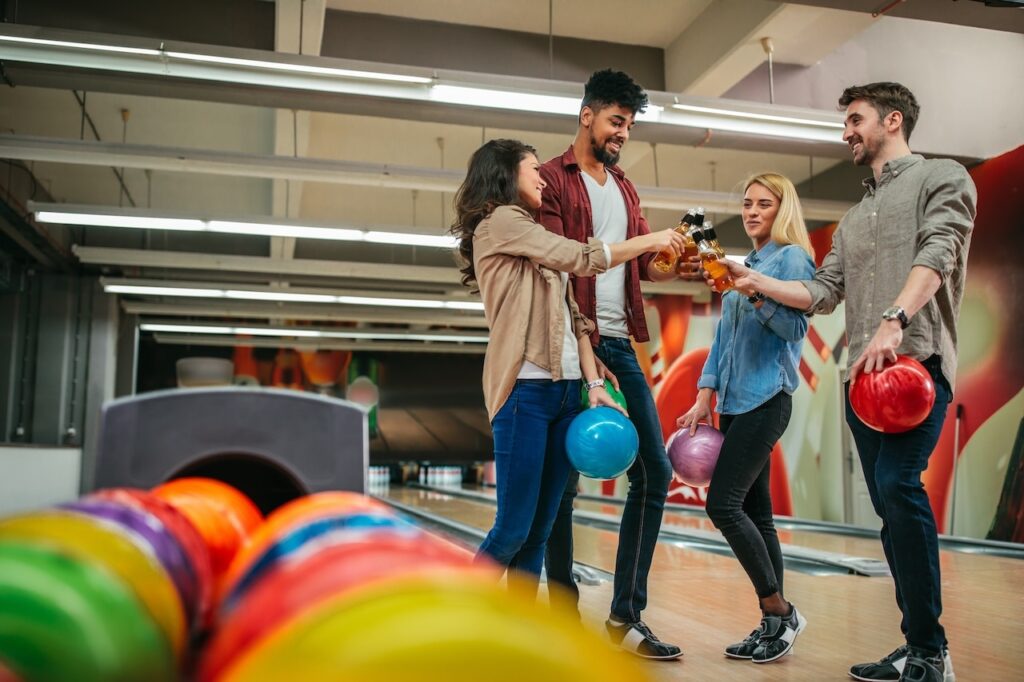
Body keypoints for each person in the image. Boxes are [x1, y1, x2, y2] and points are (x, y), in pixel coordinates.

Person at [718, 83, 975, 682]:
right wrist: (752, 280)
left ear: (893, 119)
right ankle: (916, 643)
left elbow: (941, 251)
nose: (846, 132)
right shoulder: (855, 218)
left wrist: (895, 318)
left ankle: (931, 651)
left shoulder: (943, 177)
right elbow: (819, 294)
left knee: (897, 483)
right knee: (888, 504)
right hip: (864, 380)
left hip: (916, 365)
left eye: (855, 120)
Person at [450, 138, 685, 595]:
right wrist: (648, 240)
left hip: (564, 392)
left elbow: (575, 318)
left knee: (539, 530)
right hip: (524, 391)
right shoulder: (500, 224)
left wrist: (593, 382)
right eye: (533, 169)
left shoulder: (532, 233)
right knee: (513, 528)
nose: (541, 177)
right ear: (505, 175)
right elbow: (582, 257)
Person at [538, 69, 684, 659]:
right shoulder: (550, 180)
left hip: (621, 343)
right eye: (616, 121)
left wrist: (675, 259)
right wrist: (583, 347)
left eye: (629, 124)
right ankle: (561, 615)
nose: (623, 132)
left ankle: (625, 615)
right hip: (572, 344)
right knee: (563, 485)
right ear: (587, 115)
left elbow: (646, 267)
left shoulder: (623, 188)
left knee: (654, 471)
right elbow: (557, 265)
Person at [677, 172, 815, 663]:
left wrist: (754, 289)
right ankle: (772, 625)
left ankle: (780, 607)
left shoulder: (790, 259)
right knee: (758, 515)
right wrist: (702, 396)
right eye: (747, 203)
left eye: (764, 203)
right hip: (733, 402)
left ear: (783, 209)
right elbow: (722, 343)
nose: (753, 211)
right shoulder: (745, 263)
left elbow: (793, 326)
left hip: (767, 398)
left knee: (723, 505)